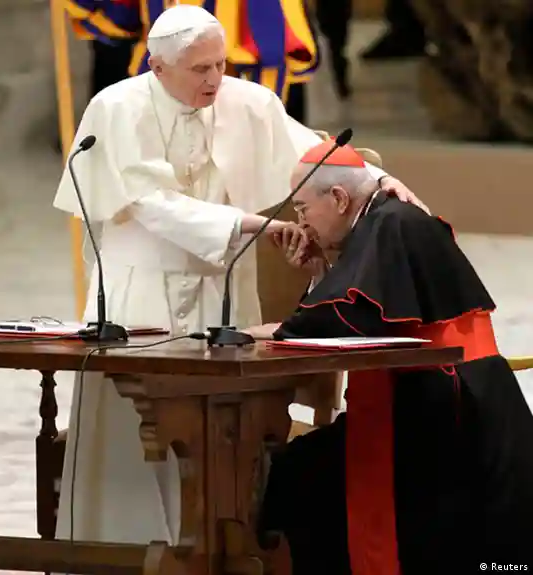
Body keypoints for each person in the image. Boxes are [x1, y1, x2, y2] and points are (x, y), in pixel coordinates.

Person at [52, 4, 426, 550]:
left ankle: (226, 550)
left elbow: (314, 153)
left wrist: (381, 179)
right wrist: (251, 223)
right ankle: (124, 555)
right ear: (157, 67)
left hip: (223, 294)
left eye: (220, 64)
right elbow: (150, 204)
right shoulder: (115, 107)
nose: (214, 79)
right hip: (138, 297)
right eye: (199, 69)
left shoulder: (248, 101)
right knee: (133, 441)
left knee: (227, 436)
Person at [250, 141, 533, 573]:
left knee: (306, 480)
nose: (301, 222)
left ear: (339, 198)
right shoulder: (379, 221)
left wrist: (274, 332)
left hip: (446, 411)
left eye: (304, 209)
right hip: (430, 400)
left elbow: (354, 316)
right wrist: (320, 273)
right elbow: (362, 312)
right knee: (303, 474)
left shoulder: (391, 223)